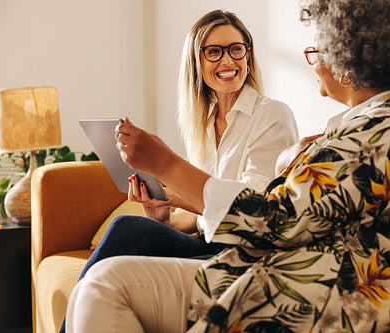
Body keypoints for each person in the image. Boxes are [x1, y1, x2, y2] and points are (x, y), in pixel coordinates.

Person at [65, 0, 390, 332]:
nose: (312, 65)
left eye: (318, 52)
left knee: (106, 282)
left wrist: (166, 163)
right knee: (103, 279)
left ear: (348, 64)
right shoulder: (374, 128)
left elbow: (275, 220)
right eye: (213, 52)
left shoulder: (377, 133)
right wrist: (168, 208)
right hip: (303, 274)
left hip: (328, 294)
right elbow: (305, 212)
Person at [58, 9, 298, 333]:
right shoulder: (205, 123)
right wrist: (164, 215)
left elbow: (250, 206)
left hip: (242, 251)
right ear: (197, 63)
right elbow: (203, 218)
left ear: (248, 53)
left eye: (236, 48)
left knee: (127, 229)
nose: (228, 61)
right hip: (209, 243)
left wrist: (173, 184)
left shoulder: (272, 115)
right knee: (133, 228)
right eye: (213, 52)